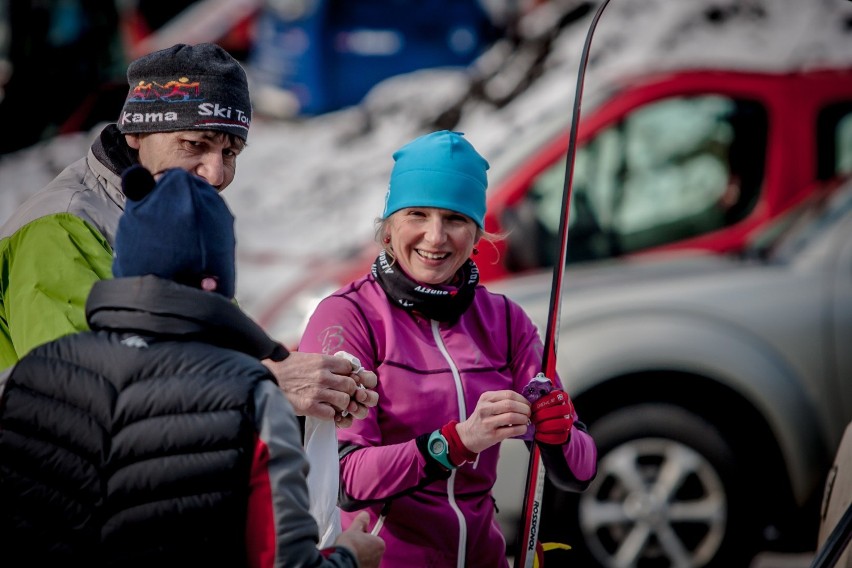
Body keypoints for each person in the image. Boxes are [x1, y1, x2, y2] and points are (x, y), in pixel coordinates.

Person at [0, 166, 385, 568]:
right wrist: (351, 558)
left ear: (123, 265)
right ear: (220, 277)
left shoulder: (27, 376)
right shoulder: (252, 396)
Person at [0, 42, 375, 424]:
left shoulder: (173, 217)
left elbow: (211, 343)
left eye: (230, 153)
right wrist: (267, 383)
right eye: (195, 144)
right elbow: (77, 388)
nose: (216, 174)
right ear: (135, 133)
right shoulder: (60, 227)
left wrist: (308, 380)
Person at [298, 130, 598, 567]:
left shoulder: (506, 320)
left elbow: (580, 471)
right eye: (417, 213)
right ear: (389, 225)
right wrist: (456, 442)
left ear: (477, 233)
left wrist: (560, 435)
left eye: (454, 218)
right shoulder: (349, 316)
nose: (435, 237)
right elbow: (341, 477)